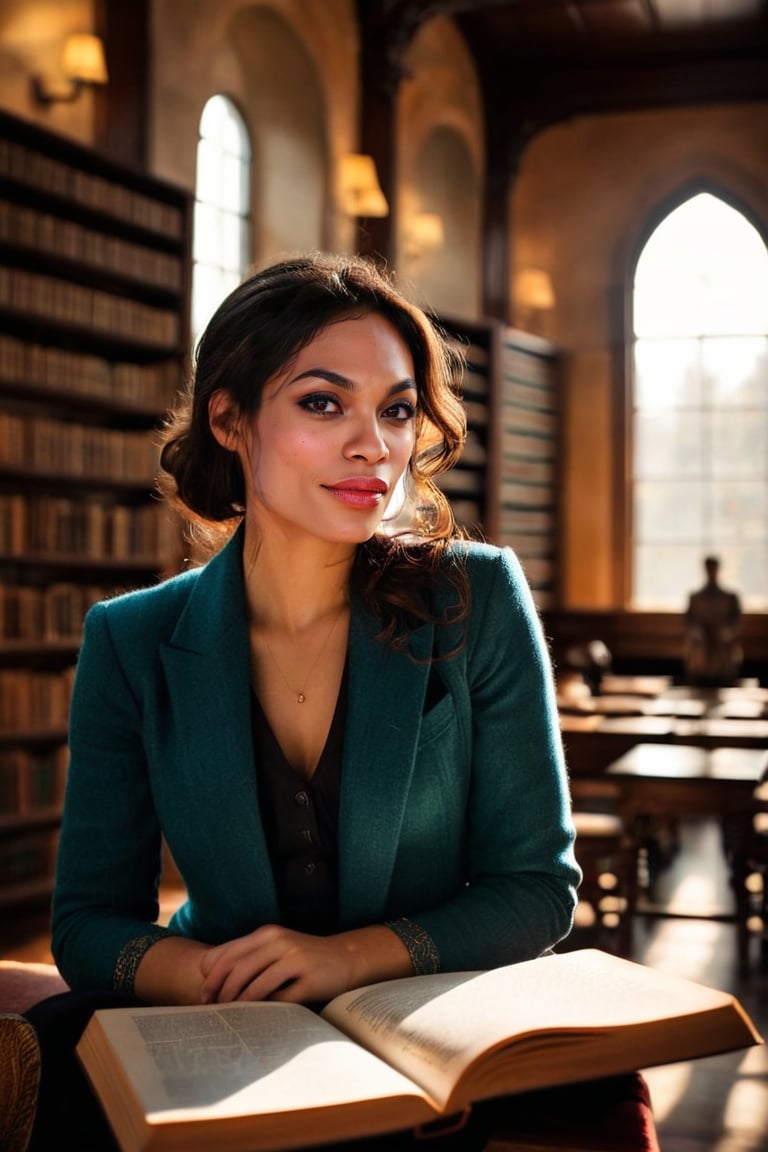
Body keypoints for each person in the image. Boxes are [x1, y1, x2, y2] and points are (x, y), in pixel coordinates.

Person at [2, 252, 580, 1151]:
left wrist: (341, 960)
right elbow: (87, 924)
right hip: (227, 1031)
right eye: (323, 403)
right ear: (230, 420)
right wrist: (214, 978)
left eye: (395, 409)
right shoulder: (132, 639)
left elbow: (537, 890)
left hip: (428, 1039)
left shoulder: (478, 598)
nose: (373, 445)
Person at [684, 555, 743, 687]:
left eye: (713, 568)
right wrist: (699, 634)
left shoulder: (730, 597)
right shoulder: (695, 598)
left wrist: (724, 633)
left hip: (724, 654)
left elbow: (736, 623)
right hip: (701, 654)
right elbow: (689, 622)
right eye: (708, 569)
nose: (711, 572)